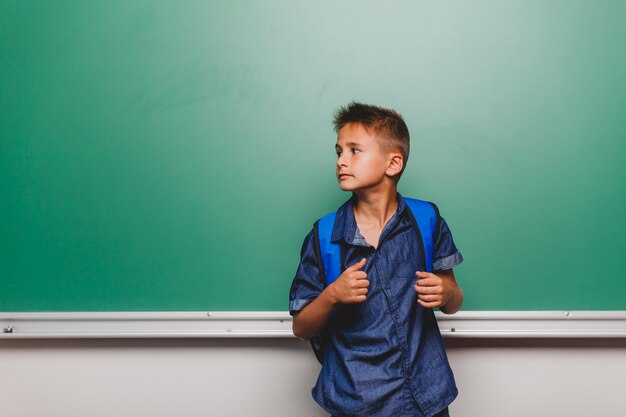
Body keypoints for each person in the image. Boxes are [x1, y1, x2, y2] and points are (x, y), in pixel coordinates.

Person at [289, 102, 464, 417]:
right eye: (339, 151)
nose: (342, 160)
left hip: (426, 397)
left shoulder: (427, 219)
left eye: (355, 150)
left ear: (393, 163)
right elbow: (301, 327)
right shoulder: (324, 234)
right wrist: (332, 296)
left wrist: (446, 292)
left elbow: (453, 299)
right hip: (357, 401)